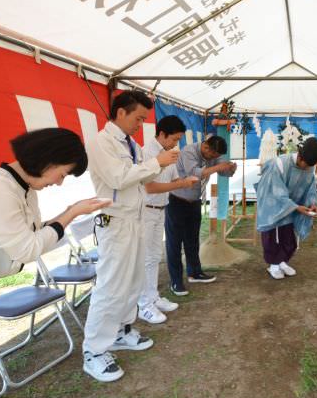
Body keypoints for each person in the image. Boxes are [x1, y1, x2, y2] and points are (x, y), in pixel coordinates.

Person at [0, 128, 108, 398]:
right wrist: (71, 213)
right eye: (63, 174)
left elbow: (30, 234)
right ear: (48, 161)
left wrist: (68, 213)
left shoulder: (21, 187)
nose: (60, 181)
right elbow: (25, 249)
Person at [82, 91, 179, 382]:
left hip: (134, 218)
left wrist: (159, 165)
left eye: (144, 120)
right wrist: (155, 163)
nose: (140, 124)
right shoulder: (101, 143)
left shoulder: (131, 144)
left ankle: (122, 331)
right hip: (115, 222)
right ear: (121, 112)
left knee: (133, 281)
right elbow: (118, 178)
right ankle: (94, 350)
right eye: (138, 118)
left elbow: (139, 177)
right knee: (111, 286)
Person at [137, 116, 199, 324]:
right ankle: (143, 304)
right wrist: (179, 185)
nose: (175, 144)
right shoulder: (146, 154)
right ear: (162, 134)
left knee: (154, 256)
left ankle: (153, 297)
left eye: (178, 140)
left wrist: (184, 181)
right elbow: (150, 187)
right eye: (173, 139)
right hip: (145, 210)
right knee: (146, 258)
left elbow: (173, 179)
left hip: (160, 209)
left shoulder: (168, 154)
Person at [166, 135, 237, 296]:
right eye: (213, 156)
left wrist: (230, 169)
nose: (214, 159)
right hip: (177, 201)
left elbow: (223, 172)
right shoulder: (189, 151)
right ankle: (176, 281)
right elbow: (195, 173)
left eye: (217, 157)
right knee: (174, 244)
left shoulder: (212, 154)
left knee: (192, 240)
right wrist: (219, 167)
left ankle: (194, 273)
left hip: (194, 201)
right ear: (206, 147)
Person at [255, 137, 317, 279]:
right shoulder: (279, 164)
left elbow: (310, 188)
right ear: (299, 155)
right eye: (304, 164)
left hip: (291, 206)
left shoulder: (310, 166)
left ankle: (282, 262)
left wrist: (312, 203)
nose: (306, 168)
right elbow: (275, 192)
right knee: (273, 236)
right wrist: (295, 206)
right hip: (272, 206)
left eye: (310, 166)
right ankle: (273, 265)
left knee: (288, 238)